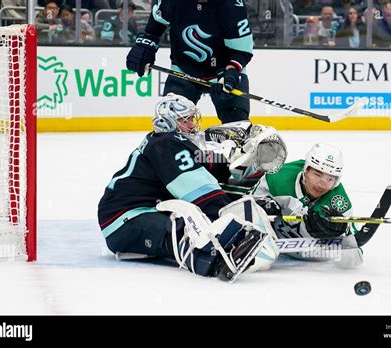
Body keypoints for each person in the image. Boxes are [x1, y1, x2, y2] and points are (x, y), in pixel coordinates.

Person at [97, 94, 281, 281]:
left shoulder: (171, 143)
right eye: (185, 120)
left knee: (201, 218)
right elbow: (201, 191)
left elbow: (208, 166)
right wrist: (232, 213)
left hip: (138, 213)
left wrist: (238, 161)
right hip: (123, 220)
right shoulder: (166, 143)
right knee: (188, 227)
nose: (192, 125)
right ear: (167, 122)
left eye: (192, 118)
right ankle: (214, 261)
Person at [125, 0, 254, 124]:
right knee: (170, 125)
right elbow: (157, 22)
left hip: (223, 71)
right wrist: (146, 43)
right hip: (183, 69)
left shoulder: (232, 4)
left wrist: (232, 70)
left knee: (237, 124)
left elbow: (242, 50)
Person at [251, 143, 363, 268]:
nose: (322, 184)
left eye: (330, 179)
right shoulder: (277, 177)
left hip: (312, 262)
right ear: (306, 170)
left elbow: (355, 259)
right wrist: (263, 207)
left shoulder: (339, 202)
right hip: (272, 250)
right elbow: (245, 210)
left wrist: (340, 234)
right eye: (317, 175)